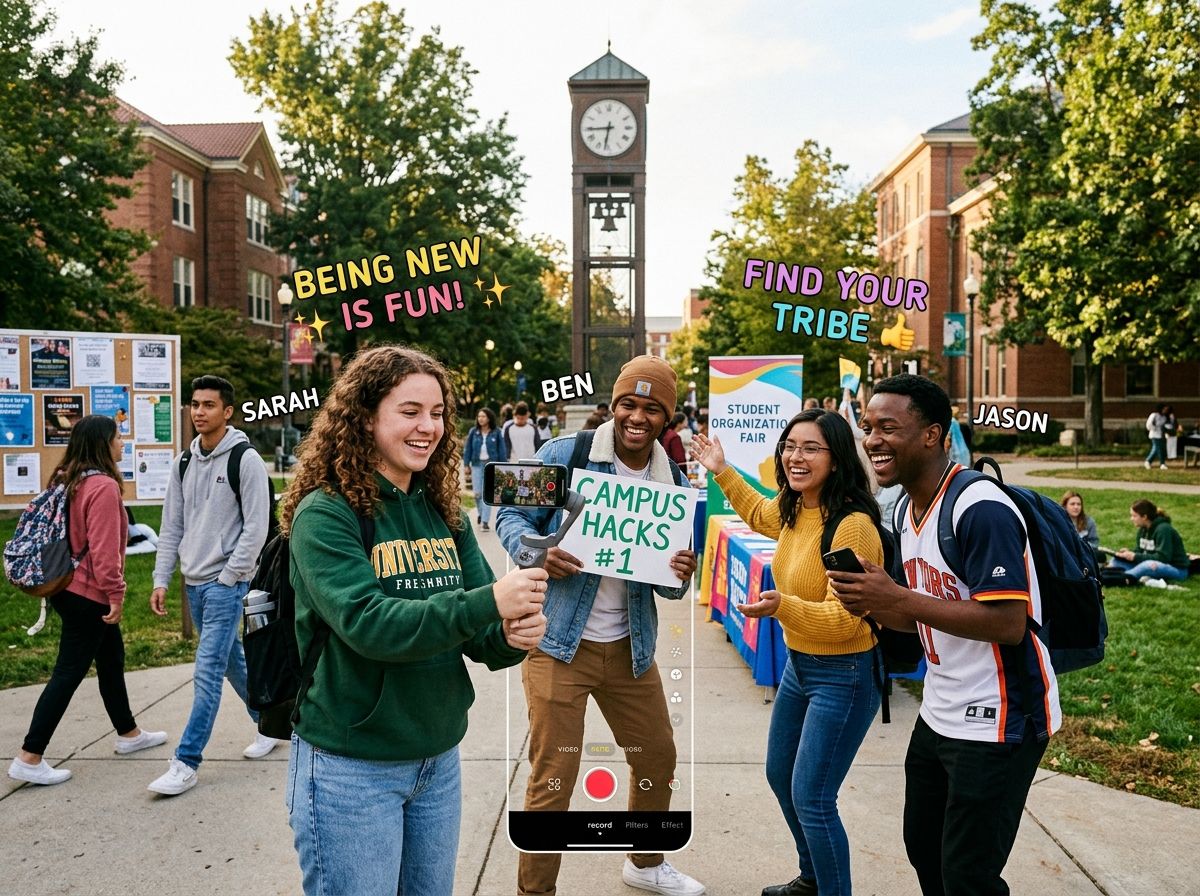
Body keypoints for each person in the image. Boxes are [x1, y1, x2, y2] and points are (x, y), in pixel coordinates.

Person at [279, 345, 547, 896]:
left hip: (437, 759)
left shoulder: (442, 510)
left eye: (438, 413)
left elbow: (483, 639)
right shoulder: (325, 513)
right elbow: (370, 624)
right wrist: (491, 603)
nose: (429, 427)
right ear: (366, 416)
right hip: (350, 768)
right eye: (410, 412)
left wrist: (515, 634)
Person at [828, 373, 1060, 896]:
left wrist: (898, 598)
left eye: (888, 427)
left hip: (1003, 720)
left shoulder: (980, 508)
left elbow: (1007, 623)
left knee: (967, 876)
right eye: (868, 427)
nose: (872, 441)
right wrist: (874, 604)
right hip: (940, 712)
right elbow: (921, 616)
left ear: (933, 435)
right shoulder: (909, 510)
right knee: (924, 849)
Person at [498, 355, 704, 896]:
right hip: (559, 642)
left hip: (630, 648)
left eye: (652, 409)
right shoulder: (567, 454)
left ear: (668, 418)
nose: (638, 417)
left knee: (656, 755)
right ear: (612, 407)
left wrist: (683, 569)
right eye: (628, 405)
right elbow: (510, 515)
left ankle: (644, 861)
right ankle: (535, 891)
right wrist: (539, 552)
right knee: (554, 776)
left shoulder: (672, 478)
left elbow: (669, 582)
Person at [691, 410, 883, 896]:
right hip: (802, 668)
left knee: (814, 796)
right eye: (790, 446)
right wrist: (721, 468)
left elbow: (847, 619)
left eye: (810, 448)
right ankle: (813, 878)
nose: (795, 457)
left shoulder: (851, 526)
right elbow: (759, 514)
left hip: (845, 673)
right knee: (782, 775)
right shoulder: (797, 505)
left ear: (837, 459)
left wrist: (783, 607)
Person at [9, 416, 167, 786]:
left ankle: (128, 733)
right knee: (68, 672)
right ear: (102, 444)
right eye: (117, 438)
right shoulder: (104, 488)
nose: (122, 444)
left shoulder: (68, 479)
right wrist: (116, 594)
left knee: (111, 659)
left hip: (65, 587)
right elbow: (105, 551)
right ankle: (30, 756)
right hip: (88, 594)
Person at [147, 375, 276, 796]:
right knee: (231, 661)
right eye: (194, 404)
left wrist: (229, 577)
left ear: (227, 411)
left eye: (207, 405)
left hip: (224, 585)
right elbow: (172, 526)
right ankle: (271, 721)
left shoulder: (245, 460)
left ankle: (186, 761)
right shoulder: (184, 462)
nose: (198, 411)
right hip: (193, 583)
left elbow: (256, 529)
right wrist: (162, 577)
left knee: (206, 671)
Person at [1108, 499, 1189, 582]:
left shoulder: (1164, 529)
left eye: (1134, 516)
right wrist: (1129, 554)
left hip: (1176, 569)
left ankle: (1122, 578)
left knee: (1147, 565)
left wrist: (1135, 556)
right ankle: (1112, 573)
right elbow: (1141, 551)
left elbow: (1163, 558)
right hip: (1150, 563)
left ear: (1144, 517)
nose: (1131, 519)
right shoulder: (1143, 529)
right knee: (1117, 560)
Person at [463, 407, 507, 531]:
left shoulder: (497, 432)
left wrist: (503, 467)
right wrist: (466, 465)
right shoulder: (473, 431)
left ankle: (485, 522)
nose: (480, 419)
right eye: (479, 416)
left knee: (487, 494)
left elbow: (502, 450)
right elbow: (468, 449)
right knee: (477, 494)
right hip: (476, 465)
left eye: (483, 416)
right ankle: (481, 514)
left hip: (491, 466)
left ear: (489, 418)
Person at [1145, 403, 1167, 470]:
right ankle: (1162, 463)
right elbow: (1148, 425)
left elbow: (1164, 426)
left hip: (1160, 435)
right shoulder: (1154, 415)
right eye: (1164, 409)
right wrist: (1155, 428)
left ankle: (1148, 461)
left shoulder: (1164, 417)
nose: (1165, 411)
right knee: (1159, 449)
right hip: (1154, 435)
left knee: (1156, 449)